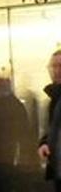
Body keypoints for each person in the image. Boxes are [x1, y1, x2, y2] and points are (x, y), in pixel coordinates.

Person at [41, 48, 61, 191]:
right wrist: (43, 143)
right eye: (54, 66)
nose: (57, 70)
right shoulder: (53, 98)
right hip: (57, 167)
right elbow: (51, 129)